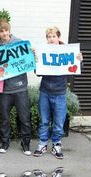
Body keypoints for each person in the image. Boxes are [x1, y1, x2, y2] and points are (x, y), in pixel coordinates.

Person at [33, 27, 83, 159]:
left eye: (53, 36)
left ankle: (56, 144)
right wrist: (36, 62)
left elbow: (75, 69)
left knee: (59, 122)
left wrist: (79, 60)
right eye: (48, 37)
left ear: (58, 38)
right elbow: (37, 73)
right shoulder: (43, 51)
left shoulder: (67, 51)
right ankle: (42, 144)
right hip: (45, 91)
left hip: (60, 93)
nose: (51, 39)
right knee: (44, 121)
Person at [0, 19, 32, 155]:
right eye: (1, 31)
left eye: (6, 30)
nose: (4, 33)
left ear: (9, 30)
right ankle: (5, 142)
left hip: (20, 87)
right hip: (4, 89)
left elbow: (27, 62)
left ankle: (25, 143)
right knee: (5, 119)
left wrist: (31, 55)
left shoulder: (19, 43)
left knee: (24, 118)